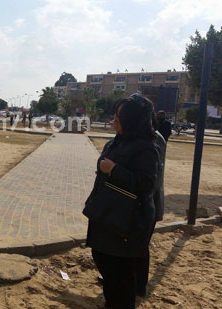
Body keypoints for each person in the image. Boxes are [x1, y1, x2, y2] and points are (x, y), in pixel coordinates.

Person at [85, 93, 159, 309]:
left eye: (120, 116)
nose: (114, 119)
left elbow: (147, 185)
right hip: (106, 215)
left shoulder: (146, 148)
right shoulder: (116, 141)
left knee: (121, 276)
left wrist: (115, 170)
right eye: (116, 114)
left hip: (125, 223)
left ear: (133, 120)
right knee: (105, 263)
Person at [135, 109, 166, 298]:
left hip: (148, 203)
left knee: (140, 246)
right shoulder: (139, 137)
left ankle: (139, 286)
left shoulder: (155, 139)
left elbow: (153, 178)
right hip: (139, 202)